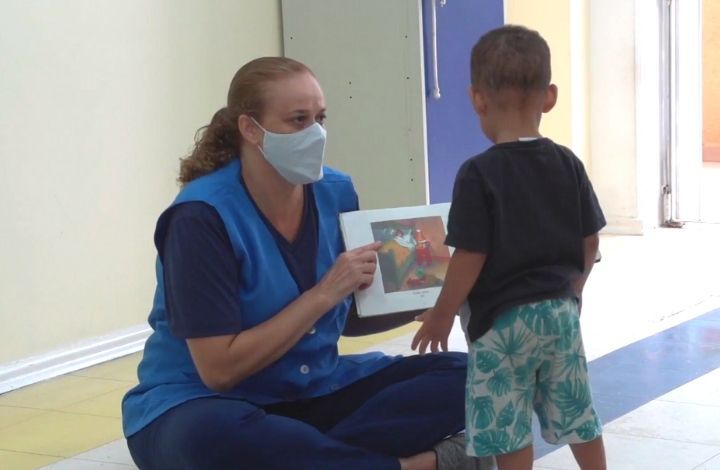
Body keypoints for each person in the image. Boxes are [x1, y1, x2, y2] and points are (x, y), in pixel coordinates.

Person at [122, 57, 493, 470]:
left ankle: (308, 457)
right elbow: (219, 371)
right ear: (250, 128)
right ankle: (419, 465)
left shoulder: (335, 191)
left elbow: (348, 319)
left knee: (475, 376)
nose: (315, 133)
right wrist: (323, 293)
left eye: (320, 118)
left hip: (315, 391)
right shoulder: (200, 218)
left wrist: (436, 294)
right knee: (210, 438)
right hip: (206, 404)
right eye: (297, 120)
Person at [412, 26, 608, 470]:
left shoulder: (478, 173)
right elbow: (591, 238)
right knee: (576, 411)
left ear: (477, 98)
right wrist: (574, 290)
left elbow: (470, 254)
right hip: (560, 315)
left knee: (506, 421)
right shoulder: (567, 162)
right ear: (550, 96)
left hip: (501, 324)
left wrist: (443, 312)